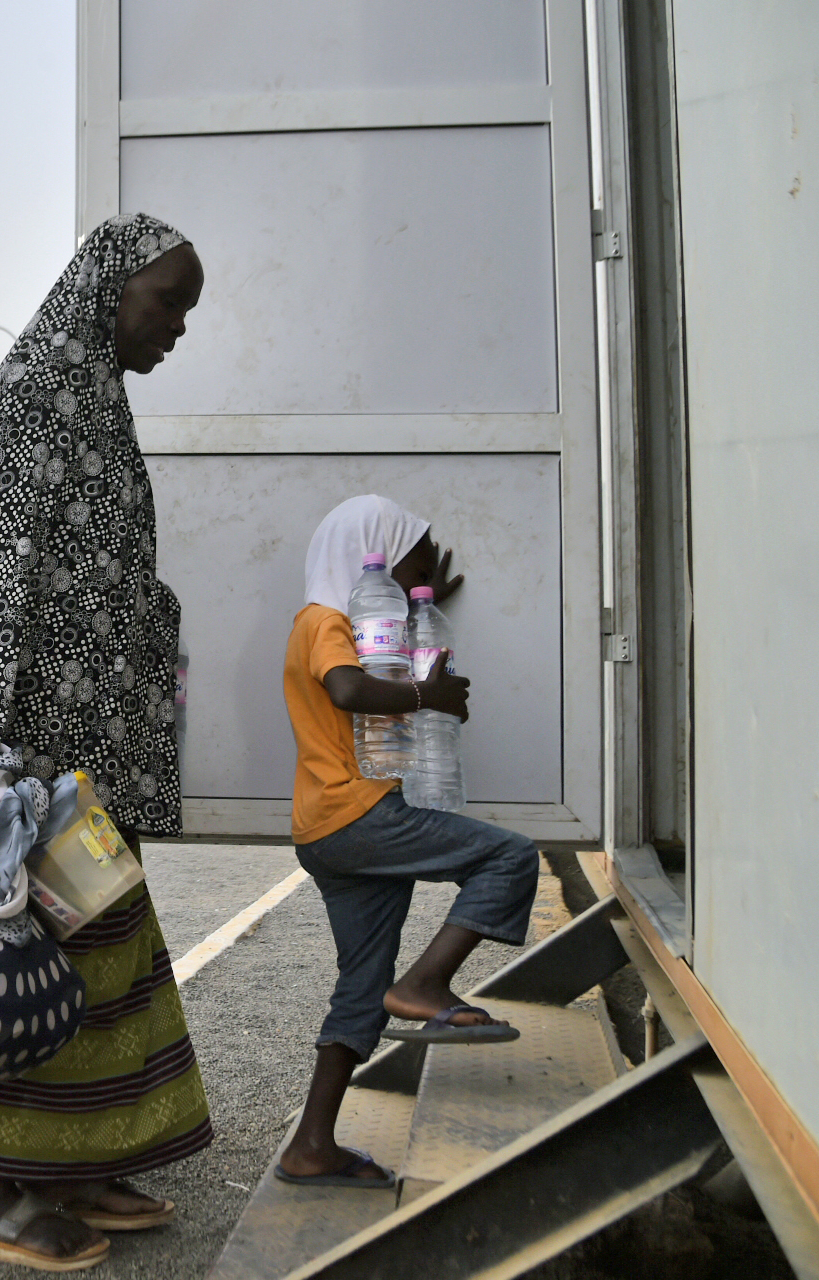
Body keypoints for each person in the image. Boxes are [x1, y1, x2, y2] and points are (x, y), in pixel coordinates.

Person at [0, 214, 212, 1272]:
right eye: (168, 302)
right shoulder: (31, 403)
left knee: (93, 957)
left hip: (81, 757)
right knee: (13, 962)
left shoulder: (94, 408)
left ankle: (66, 1165)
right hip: (21, 757)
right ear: (110, 288)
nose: (176, 328)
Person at [274, 494, 539, 1189]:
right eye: (419, 547)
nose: (429, 557)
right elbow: (347, 687)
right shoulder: (324, 622)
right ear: (378, 552)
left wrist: (423, 600)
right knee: (508, 856)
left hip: (329, 826)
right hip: (358, 817)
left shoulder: (339, 618)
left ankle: (311, 1146)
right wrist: (431, 698)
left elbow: (377, 655)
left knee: (360, 986)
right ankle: (425, 983)